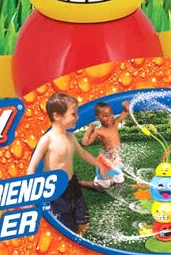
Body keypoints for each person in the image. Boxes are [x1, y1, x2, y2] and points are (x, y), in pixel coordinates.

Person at [26, 92, 109, 235]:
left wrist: (99, 165)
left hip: (73, 184)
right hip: (57, 189)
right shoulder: (47, 139)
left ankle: (80, 238)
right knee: (65, 223)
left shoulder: (70, 137)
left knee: (83, 219)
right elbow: (32, 167)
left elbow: (83, 153)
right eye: (73, 114)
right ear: (57, 116)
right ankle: (71, 238)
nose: (77, 117)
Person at [80, 100, 130, 189]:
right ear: (97, 118)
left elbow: (126, 112)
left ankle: (113, 178)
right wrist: (89, 129)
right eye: (104, 115)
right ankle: (81, 183)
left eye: (111, 114)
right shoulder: (98, 131)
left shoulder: (115, 123)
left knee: (120, 183)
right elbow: (85, 143)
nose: (109, 117)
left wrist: (125, 106)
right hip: (105, 162)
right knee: (102, 188)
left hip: (115, 160)